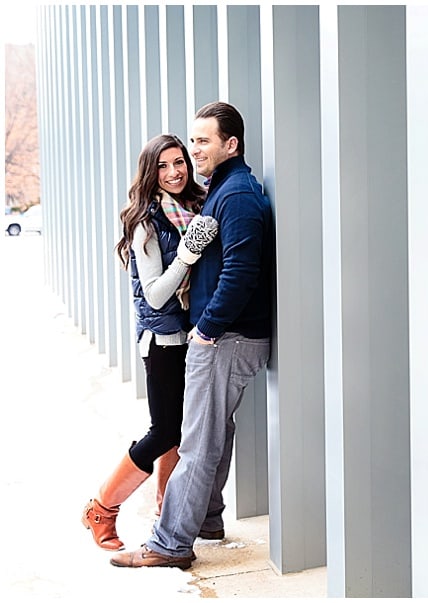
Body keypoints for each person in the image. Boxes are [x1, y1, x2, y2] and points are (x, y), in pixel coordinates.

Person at [111, 102, 274, 569]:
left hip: (226, 338)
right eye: (193, 141)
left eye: (202, 142)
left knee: (197, 441)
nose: (194, 150)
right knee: (214, 433)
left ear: (231, 144)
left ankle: (169, 545)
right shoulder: (220, 190)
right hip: (227, 336)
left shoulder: (237, 195)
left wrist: (207, 329)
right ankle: (206, 519)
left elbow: (242, 271)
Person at [82, 134, 218, 551]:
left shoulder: (195, 204)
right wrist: (189, 252)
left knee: (180, 433)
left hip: (193, 334)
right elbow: (156, 292)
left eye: (180, 162)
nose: (175, 171)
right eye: (163, 166)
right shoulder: (145, 221)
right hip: (163, 339)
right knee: (164, 431)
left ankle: (166, 509)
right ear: (150, 172)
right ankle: (101, 509)